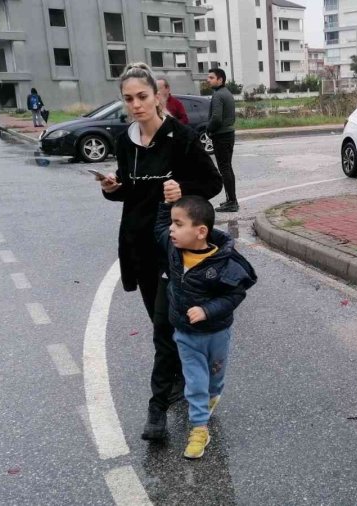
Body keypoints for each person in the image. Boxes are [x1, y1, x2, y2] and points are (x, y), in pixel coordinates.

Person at [97, 62, 223, 441]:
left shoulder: (181, 137)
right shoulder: (125, 141)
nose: (136, 105)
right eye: (128, 99)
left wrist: (182, 189)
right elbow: (130, 191)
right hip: (137, 245)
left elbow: (212, 183)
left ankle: (159, 407)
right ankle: (184, 376)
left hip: (173, 248)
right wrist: (112, 187)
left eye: (142, 96)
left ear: (157, 96)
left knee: (164, 328)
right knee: (160, 322)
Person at [154, 194, 256, 459]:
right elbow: (159, 228)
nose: (171, 229)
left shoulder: (224, 262)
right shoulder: (174, 250)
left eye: (178, 224)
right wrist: (167, 203)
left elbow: (235, 295)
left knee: (214, 380)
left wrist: (207, 310)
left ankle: (212, 396)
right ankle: (199, 429)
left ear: (200, 232)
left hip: (217, 334)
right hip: (186, 334)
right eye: (172, 223)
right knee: (195, 382)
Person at [207, 69, 238, 213]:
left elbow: (216, 118)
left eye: (211, 77)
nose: (208, 80)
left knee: (225, 169)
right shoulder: (227, 93)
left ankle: (232, 202)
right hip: (228, 134)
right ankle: (231, 200)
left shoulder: (218, 95)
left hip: (221, 136)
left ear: (220, 80)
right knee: (227, 168)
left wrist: (209, 129)